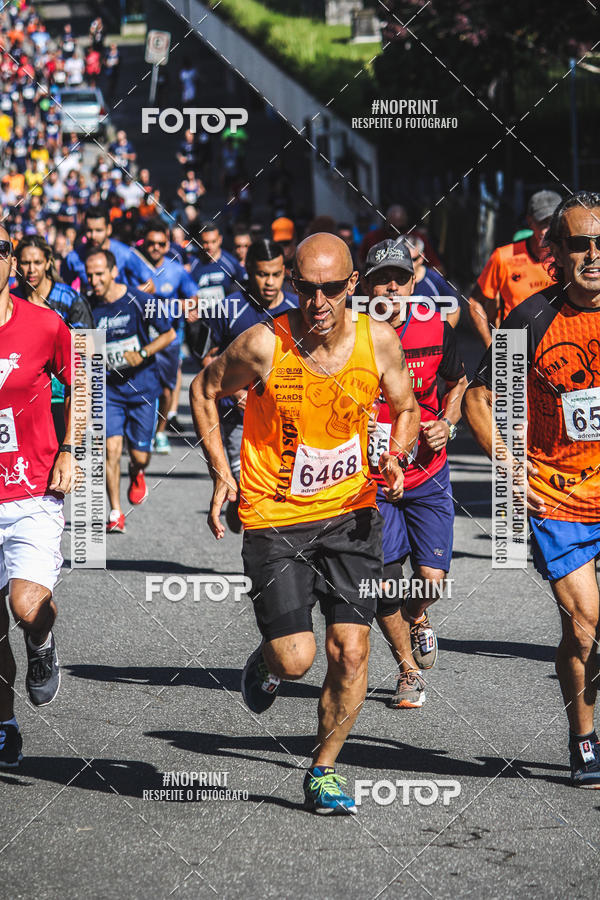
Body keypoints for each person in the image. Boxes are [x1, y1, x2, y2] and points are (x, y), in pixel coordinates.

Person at [190, 233, 420, 813]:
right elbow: (205, 388)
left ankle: (323, 770)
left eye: (330, 290)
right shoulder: (267, 344)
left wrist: (396, 454)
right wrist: (222, 473)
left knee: (351, 651)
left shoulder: (380, 342)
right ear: (293, 284)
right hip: (275, 516)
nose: (316, 302)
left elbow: (407, 409)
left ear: (352, 287)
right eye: (305, 288)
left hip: (351, 514)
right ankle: (268, 662)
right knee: (297, 659)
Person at [462, 191, 600, 787]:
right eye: (580, 244)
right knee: (585, 626)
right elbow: (479, 399)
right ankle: (584, 737)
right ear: (557, 254)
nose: (594, 254)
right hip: (557, 494)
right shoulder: (532, 318)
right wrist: (511, 468)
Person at [364, 239, 467, 707]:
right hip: (373, 478)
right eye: (382, 278)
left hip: (428, 471)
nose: (392, 286)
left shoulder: (435, 324)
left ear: (414, 280)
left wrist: (449, 421)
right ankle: (407, 672)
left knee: (431, 578)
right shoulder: (352, 335)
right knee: (385, 582)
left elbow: (458, 381)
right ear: (365, 286)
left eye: (400, 277)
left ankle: (417, 613)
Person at [0, 226, 77, 768]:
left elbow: (84, 381)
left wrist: (71, 449)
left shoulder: (45, 323)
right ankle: (5, 725)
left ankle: (41, 643)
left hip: (32, 490)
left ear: (10, 261)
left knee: (26, 605)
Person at [206, 239, 298, 531]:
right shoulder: (229, 307)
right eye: (261, 274)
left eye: (275, 274)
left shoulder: (297, 311)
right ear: (248, 270)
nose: (269, 282)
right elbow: (208, 361)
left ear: (285, 272)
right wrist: (235, 393)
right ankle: (241, 510)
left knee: (280, 493)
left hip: (283, 420)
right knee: (247, 495)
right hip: (237, 421)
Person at [87, 249, 175, 533]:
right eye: (90, 275)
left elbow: (169, 333)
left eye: (99, 273)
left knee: (139, 456)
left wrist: (143, 352)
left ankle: (137, 471)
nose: (94, 280)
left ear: (114, 272)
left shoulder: (138, 300)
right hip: (108, 390)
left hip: (142, 388)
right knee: (110, 450)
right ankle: (115, 512)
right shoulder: (88, 306)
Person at [13, 235, 93, 442]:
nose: (31, 269)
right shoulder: (11, 300)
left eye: (37, 262)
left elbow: (89, 347)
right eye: (26, 262)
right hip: (21, 398)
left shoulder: (70, 300)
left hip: (63, 395)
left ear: (48, 262)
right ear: (16, 263)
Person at [467, 190, 562, 347]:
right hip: (512, 343)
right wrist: (492, 347)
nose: (547, 230)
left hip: (557, 340)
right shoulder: (504, 256)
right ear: (530, 221)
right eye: (542, 222)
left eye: (552, 223)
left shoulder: (569, 257)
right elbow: (474, 302)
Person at [136, 219, 198, 454]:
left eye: (160, 244)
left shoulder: (176, 269)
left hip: (169, 340)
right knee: (140, 387)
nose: (155, 248)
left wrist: (183, 306)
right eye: (150, 243)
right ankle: (142, 433)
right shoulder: (134, 267)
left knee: (166, 389)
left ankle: (160, 431)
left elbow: (194, 299)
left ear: (167, 244)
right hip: (141, 338)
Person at [61, 206, 154, 294]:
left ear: (108, 229)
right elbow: (63, 288)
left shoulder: (125, 254)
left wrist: (125, 298)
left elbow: (150, 285)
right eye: (89, 230)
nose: (93, 236)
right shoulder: (73, 258)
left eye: (99, 230)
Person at [403, 234, 460, 328]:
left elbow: (454, 307)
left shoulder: (434, 279)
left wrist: (444, 336)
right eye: (405, 258)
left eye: (413, 259)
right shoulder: (391, 283)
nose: (409, 263)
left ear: (422, 258)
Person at [189, 222, 244, 307]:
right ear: (200, 241)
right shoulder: (192, 264)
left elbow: (242, 290)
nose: (209, 246)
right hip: (200, 315)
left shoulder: (231, 264)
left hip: (224, 314)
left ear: (220, 240)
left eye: (213, 241)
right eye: (205, 242)